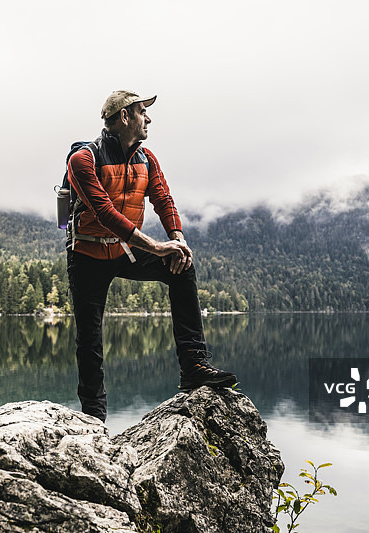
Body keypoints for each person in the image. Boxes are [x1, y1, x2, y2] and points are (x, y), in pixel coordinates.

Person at [66, 89, 237, 422]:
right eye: (143, 111)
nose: (149, 118)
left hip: (126, 250)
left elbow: (164, 200)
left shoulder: (148, 159)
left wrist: (177, 240)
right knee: (89, 340)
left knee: (181, 268)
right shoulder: (83, 160)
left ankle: (193, 366)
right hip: (86, 255)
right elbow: (104, 213)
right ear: (125, 116)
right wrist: (157, 247)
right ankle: (93, 420)